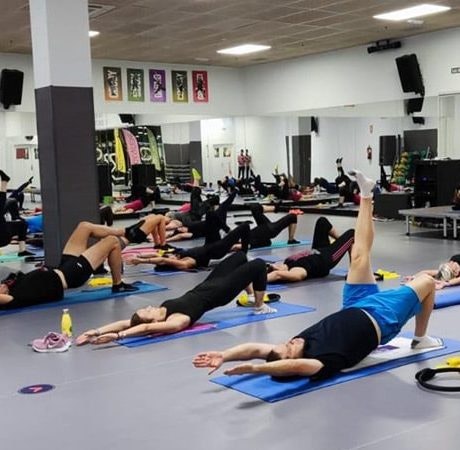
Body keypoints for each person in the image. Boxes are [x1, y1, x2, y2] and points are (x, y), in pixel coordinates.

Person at [193, 170, 442, 379]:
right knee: (428, 281)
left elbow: (255, 348)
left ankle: (367, 194)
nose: (291, 342)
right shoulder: (321, 360)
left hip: (354, 305)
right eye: (289, 349)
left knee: (359, 254)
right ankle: (420, 338)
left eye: (286, 343)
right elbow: (293, 366)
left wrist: (224, 355)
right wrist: (259, 369)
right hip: (382, 319)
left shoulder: (295, 345)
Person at [76, 251, 276, 345]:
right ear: (154, 321)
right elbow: (144, 328)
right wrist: (118, 337)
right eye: (146, 311)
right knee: (258, 264)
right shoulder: (175, 321)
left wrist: (95, 331)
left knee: (239, 256)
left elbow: (125, 322)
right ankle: (259, 306)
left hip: (207, 283)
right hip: (221, 291)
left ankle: (251, 296)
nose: (147, 306)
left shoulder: (162, 311)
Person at [0, 221, 138, 310]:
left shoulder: (12, 285)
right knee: (112, 242)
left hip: (63, 267)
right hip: (71, 275)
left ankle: (127, 231)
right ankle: (118, 284)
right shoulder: (14, 299)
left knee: (84, 227)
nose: (1, 285)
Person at [125, 222, 251, 271]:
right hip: (217, 250)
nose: (171, 256)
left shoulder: (178, 254)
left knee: (212, 218)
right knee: (244, 226)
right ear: (171, 263)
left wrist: (139, 256)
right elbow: (163, 260)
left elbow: (157, 255)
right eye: (170, 259)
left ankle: (240, 249)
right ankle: (243, 254)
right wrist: (142, 261)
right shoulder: (186, 262)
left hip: (210, 244)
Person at [267, 217, 354, 283]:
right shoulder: (297, 270)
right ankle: (354, 271)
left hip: (318, 249)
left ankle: (343, 243)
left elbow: (273, 270)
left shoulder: (287, 262)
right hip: (327, 258)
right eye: (274, 268)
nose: (275, 265)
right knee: (351, 234)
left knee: (322, 222)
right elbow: (277, 275)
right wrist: (258, 281)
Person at [0, 170, 33, 257]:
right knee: (22, 224)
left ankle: (22, 251)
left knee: (22, 224)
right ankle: (4, 182)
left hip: (3, 235)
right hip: (3, 237)